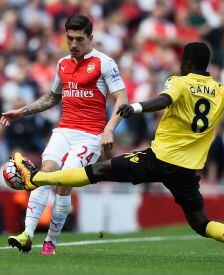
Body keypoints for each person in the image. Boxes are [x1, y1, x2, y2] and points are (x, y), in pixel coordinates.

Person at [13, 42, 224, 263]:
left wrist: (136, 107)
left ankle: (36, 179)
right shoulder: (221, 91)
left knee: (98, 171)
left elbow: (163, 100)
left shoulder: (179, 81)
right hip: (187, 171)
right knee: (201, 223)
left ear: (186, 61)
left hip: (157, 159)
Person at [0, 15, 128, 254]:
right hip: (64, 130)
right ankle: (27, 234)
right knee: (44, 173)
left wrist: (109, 129)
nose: (73, 44)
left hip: (90, 135)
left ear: (91, 37)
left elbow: (122, 98)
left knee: (63, 183)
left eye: (79, 39)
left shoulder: (104, 63)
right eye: (69, 38)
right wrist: (22, 111)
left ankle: (51, 242)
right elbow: (52, 97)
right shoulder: (62, 64)